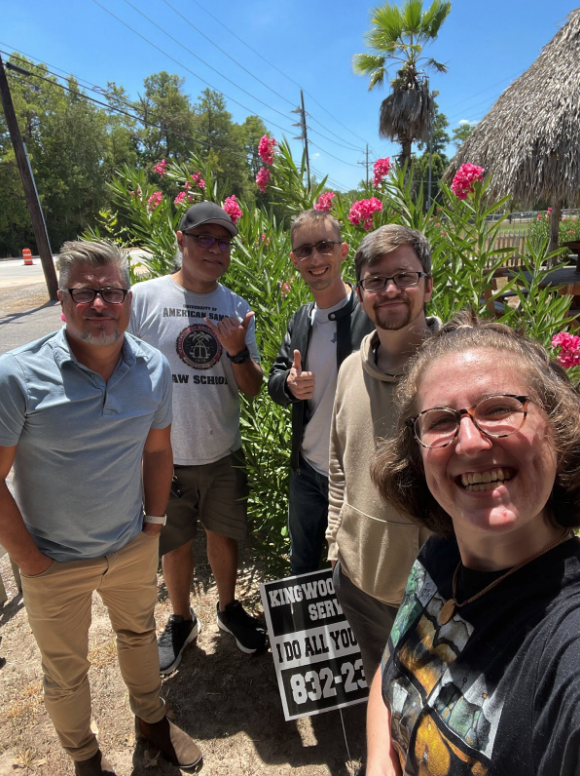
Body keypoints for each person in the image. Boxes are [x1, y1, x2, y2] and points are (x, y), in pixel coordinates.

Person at [0, 241, 202, 776]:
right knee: (66, 671)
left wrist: (153, 526)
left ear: (127, 299)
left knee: (138, 636)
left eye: (110, 291)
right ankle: (85, 758)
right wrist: (32, 560)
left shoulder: (152, 369)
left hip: (129, 544)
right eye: (85, 292)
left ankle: (152, 722)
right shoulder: (16, 376)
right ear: (63, 299)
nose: (99, 304)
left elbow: (158, 451)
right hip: (52, 559)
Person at [367, 311, 580, 776]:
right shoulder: (440, 555)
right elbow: (391, 671)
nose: (469, 441)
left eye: (500, 408)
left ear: (559, 427)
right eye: (441, 421)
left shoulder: (567, 649)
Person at [129, 201, 267, 675]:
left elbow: (251, 388)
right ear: (180, 241)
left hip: (222, 450)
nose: (214, 249)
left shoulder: (237, 307)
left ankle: (228, 609)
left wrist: (236, 352)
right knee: (174, 541)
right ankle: (181, 619)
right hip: (161, 453)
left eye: (223, 240)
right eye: (204, 238)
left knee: (224, 535)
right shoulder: (143, 299)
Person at [326, 225, 439, 684]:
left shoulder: (452, 372)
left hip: (434, 591)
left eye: (405, 277)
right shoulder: (351, 369)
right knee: (379, 686)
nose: (390, 290)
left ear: (428, 285)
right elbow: (338, 462)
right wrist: (336, 539)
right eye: (375, 280)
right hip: (358, 580)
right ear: (360, 293)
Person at [268, 210, 374, 575]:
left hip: (355, 475)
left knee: (349, 571)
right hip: (307, 471)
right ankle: (304, 633)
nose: (315, 258)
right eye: (305, 250)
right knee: (302, 566)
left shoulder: (370, 315)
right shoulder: (301, 318)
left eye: (325, 246)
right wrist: (289, 386)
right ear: (294, 260)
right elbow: (276, 379)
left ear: (343, 251)